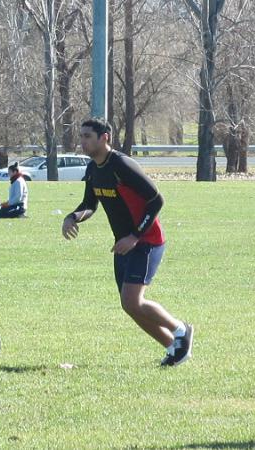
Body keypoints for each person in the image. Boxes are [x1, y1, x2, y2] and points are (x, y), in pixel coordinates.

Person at [61, 118, 193, 366]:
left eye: (87, 136)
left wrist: (135, 236)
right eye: (81, 136)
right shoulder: (93, 169)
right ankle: (174, 348)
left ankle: (181, 329)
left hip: (147, 240)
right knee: (129, 306)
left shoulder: (121, 165)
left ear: (105, 138)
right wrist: (73, 217)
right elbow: (90, 205)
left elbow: (156, 200)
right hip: (123, 244)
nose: (82, 142)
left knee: (133, 300)